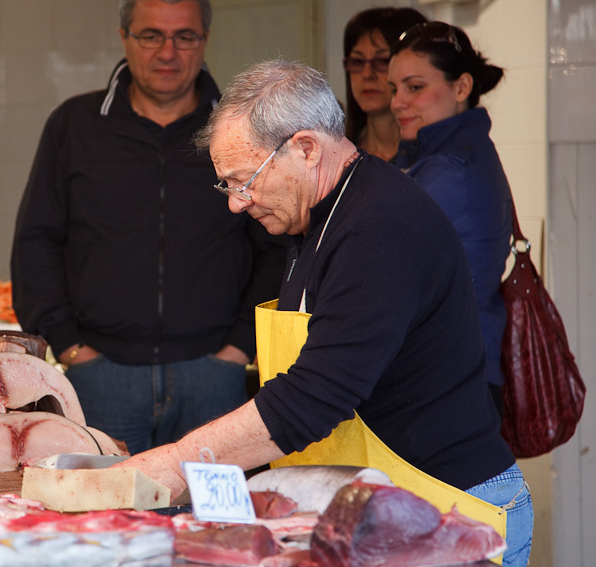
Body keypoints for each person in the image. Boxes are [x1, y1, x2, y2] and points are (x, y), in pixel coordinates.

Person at [119, 59, 533, 567]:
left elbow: (314, 396)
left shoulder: (378, 227)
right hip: (372, 508)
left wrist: (171, 463)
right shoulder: (316, 215)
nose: (236, 204)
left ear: (306, 148)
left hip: (446, 509)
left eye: (243, 181)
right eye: (227, 185)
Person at [10, 0, 285, 455]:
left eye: (185, 36)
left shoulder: (244, 130)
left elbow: (275, 244)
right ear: (125, 37)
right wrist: (70, 345)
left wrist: (241, 346)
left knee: (209, 505)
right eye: (152, 35)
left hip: (214, 375)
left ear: (205, 39)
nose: (168, 52)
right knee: (106, 503)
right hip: (101, 375)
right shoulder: (75, 126)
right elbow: (37, 243)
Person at [389, 21, 513, 416]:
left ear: (462, 88)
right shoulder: (455, 156)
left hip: (448, 380)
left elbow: (383, 262)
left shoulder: (449, 170)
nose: (397, 102)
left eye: (414, 87)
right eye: (395, 89)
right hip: (458, 370)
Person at [342, 7, 426, 162]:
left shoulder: (432, 158)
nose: (367, 74)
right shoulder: (339, 150)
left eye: (382, 61)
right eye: (357, 62)